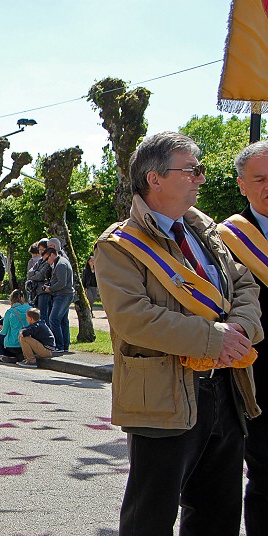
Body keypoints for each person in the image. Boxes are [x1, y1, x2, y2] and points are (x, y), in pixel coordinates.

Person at [94, 131, 262, 535]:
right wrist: (214, 338)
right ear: (154, 179)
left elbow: (244, 285)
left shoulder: (206, 231)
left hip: (226, 388)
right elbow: (133, 317)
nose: (200, 178)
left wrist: (239, 328)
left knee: (217, 514)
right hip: (164, 397)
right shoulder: (119, 245)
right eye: (191, 170)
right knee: (150, 517)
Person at [221, 140, 268, 534]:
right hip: (259, 376)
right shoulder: (226, 239)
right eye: (260, 179)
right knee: (266, 477)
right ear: (242, 185)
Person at [43, 245, 74, 352]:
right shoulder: (60, 263)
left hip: (63, 295)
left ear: (52, 255)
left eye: (47, 259)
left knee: (54, 319)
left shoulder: (61, 264)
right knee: (63, 321)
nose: (47, 262)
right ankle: (64, 346)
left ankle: (59, 346)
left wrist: (50, 289)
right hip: (64, 295)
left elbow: (62, 283)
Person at [0, 289, 31, 363]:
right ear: (21, 298)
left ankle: (0, 356)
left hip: (12, 345)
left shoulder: (9, 312)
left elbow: (4, 331)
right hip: (26, 343)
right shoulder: (30, 309)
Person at [26, 239, 51, 318]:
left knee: (43, 315)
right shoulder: (40, 260)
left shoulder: (49, 261)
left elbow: (41, 275)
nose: (41, 251)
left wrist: (35, 273)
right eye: (39, 249)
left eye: (43, 249)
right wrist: (35, 273)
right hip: (36, 291)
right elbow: (29, 273)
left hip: (44, 291)